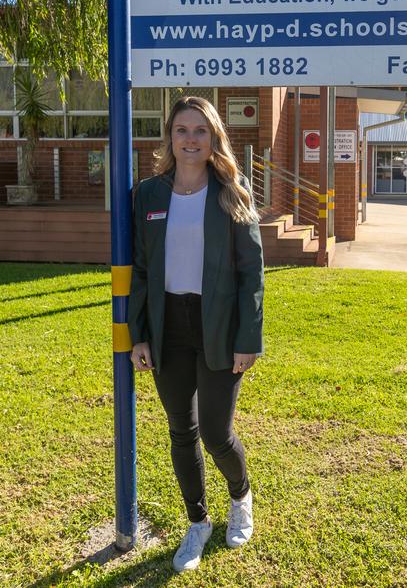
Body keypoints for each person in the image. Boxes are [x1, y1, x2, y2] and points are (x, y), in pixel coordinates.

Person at [128, 95, 263, 573]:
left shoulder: (231, 189)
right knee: (180, 431)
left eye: (200, 131)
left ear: (213, 138)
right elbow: (141, 270)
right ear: (170, 136)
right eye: (182, 130)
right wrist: (138, 335)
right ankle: (198, 522)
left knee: (215, 432)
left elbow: (252, 271)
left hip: (218, 325)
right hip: (168, 326)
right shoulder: (147, 193)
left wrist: (248, 339)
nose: (190, 139)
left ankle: (240, 495)